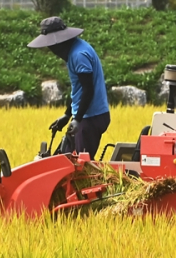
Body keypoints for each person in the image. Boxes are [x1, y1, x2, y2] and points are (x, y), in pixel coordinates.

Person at [27, 16, 111, 160]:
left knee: (78, 167)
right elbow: (78, 90)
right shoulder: (76, 49)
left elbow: (88, 90)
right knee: (64, 159)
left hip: (91, 118)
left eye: (52, 46)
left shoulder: (79, 55)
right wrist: (67, 115)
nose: (52, 50)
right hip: (85, 116)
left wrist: (77, 119)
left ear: (59, 42)